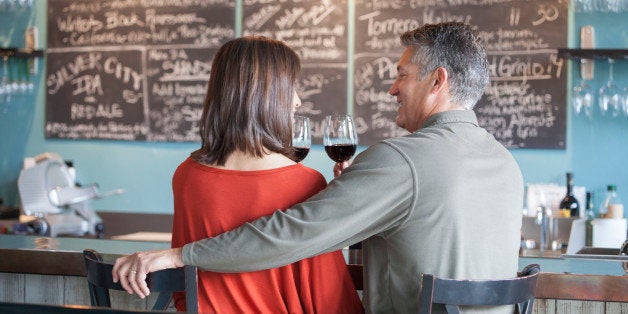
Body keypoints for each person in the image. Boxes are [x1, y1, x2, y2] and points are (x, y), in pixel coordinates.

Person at [113, 22, 523, 313]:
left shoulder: (400, 158)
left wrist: (180, 256)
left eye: (402, 75)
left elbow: (292, 235)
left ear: (438, 81)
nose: (392, 88)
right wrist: (352, 203)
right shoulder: (505, 162)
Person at [124, 36, 363, 313]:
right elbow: (327, 297)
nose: (297, 101)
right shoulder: (304, 182)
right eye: (291, 88)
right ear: (267, 95)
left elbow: (185, 284)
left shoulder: (187, 175)